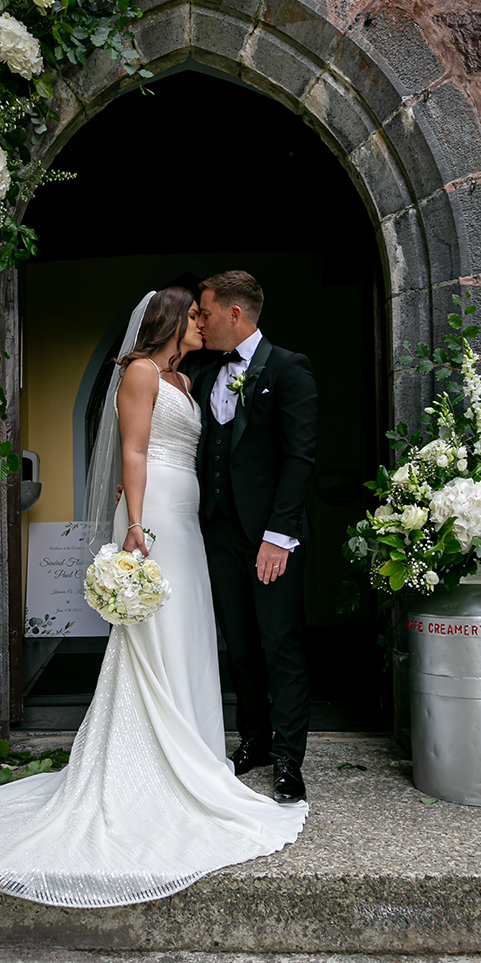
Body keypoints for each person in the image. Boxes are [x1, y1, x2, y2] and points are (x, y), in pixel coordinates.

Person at [0, 288, 307, 909]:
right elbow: (134, 449)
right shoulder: (137, 373)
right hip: (154, 514)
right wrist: (135, 523)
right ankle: (153, 759)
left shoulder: (187, 380)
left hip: (189, 517)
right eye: (192, 315)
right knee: (155, 633)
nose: (201, 322)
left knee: (188, 629)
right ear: (167, 322)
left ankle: (195, 749)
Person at [193, 272, 317, 805]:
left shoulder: (289, 368)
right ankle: (255, 742)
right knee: (240, 645)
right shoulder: (202, 373)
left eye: (206, 312)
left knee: (280, 645)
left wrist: (278, 535)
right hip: (218, 532)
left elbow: (300, 458)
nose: (200, 321)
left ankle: (290, 759)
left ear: (235, 314)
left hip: (270, 537)